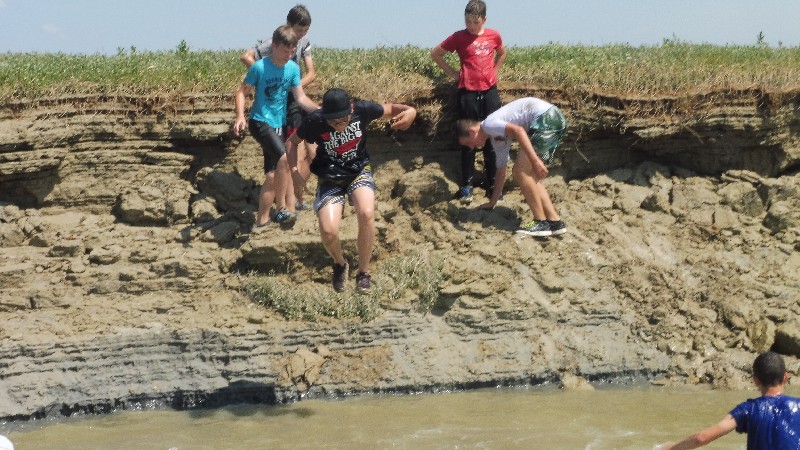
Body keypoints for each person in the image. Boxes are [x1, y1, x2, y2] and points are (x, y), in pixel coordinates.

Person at [285, 88, 416, 293]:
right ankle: (339, 263)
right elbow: (292, 142)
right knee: (329, 232)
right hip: (330, 177)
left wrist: (411, 112)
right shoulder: (315, 120)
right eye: (332, 122)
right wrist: (294, 172)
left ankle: (363, 273)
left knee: (366, 213)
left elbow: (391, 108)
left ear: (351, 111)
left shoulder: (362, 110)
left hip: (358, 170)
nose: (338, 126)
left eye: (342, 121)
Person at [233, 25, 318, 231]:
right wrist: (240, 116)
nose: (288, 55)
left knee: (272, 175)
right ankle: (281, 209)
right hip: (259, 121)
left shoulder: (293, 69)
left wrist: (320, 111)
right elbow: (242, 92)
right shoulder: (259, 67)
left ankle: (261, 221)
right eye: (285, 51)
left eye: (292, 51)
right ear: (274, 47)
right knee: (284, 159)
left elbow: (300, 98)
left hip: (279, 124)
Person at [457, 97, 568, 237]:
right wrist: (492, 202)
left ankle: (540, 222)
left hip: (545, 119)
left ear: (473, 132)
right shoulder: (496, 138)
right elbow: (501, 170)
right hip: (553, 119)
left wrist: (534, 160)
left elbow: (519, 131)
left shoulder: (490, 124)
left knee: (520, 172)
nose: (471, 147)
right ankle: (555, 222)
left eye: (468, 143)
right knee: (531, 176)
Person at [431, 0, 506, 205]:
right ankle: (466, 186)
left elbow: (502, 52)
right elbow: (436, 53)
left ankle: (494, 186)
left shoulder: (493, 35)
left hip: (489, 92)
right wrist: (454, 74)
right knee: (468, 139)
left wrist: (495, 72)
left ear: (484, 19)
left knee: (492, 138)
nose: (471, 26)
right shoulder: (459, 37)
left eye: (475, 22)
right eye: (467, 21)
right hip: (468, 93)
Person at [661, 351, 800, 450]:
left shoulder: (748, 409)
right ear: (785, 377)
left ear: (756, 380)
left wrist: (671, 448)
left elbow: (701, 438)